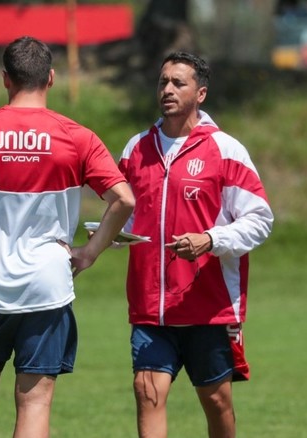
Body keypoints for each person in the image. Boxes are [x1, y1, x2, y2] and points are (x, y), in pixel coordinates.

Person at [0, 36, 135, 438]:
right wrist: (89, 253)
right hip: (48, 287)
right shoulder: (76, 136)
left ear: (5, 79)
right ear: (51, 78)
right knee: (34, 403)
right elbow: (124, 199)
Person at [117, 51, 273, 438]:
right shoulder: (135, 149)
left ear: (200, 93)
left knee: (217, 400)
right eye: (162, 82)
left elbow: (260, 220)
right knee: (147, 391)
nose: (167, 90)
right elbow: (127, 214)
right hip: (151, 307)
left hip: (208, 306)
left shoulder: (226, 150)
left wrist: (211, 239)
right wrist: (109, 235)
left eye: (178, 83)